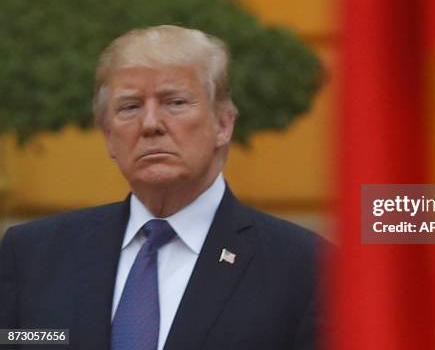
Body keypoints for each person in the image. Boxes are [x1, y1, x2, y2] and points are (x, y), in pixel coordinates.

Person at [0, 25, 325, 350]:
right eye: (129, 107)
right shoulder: (33, 256)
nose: (150, 124)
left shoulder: (305, 266)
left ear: (223, 124)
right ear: (109, 137)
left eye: (175, 102)